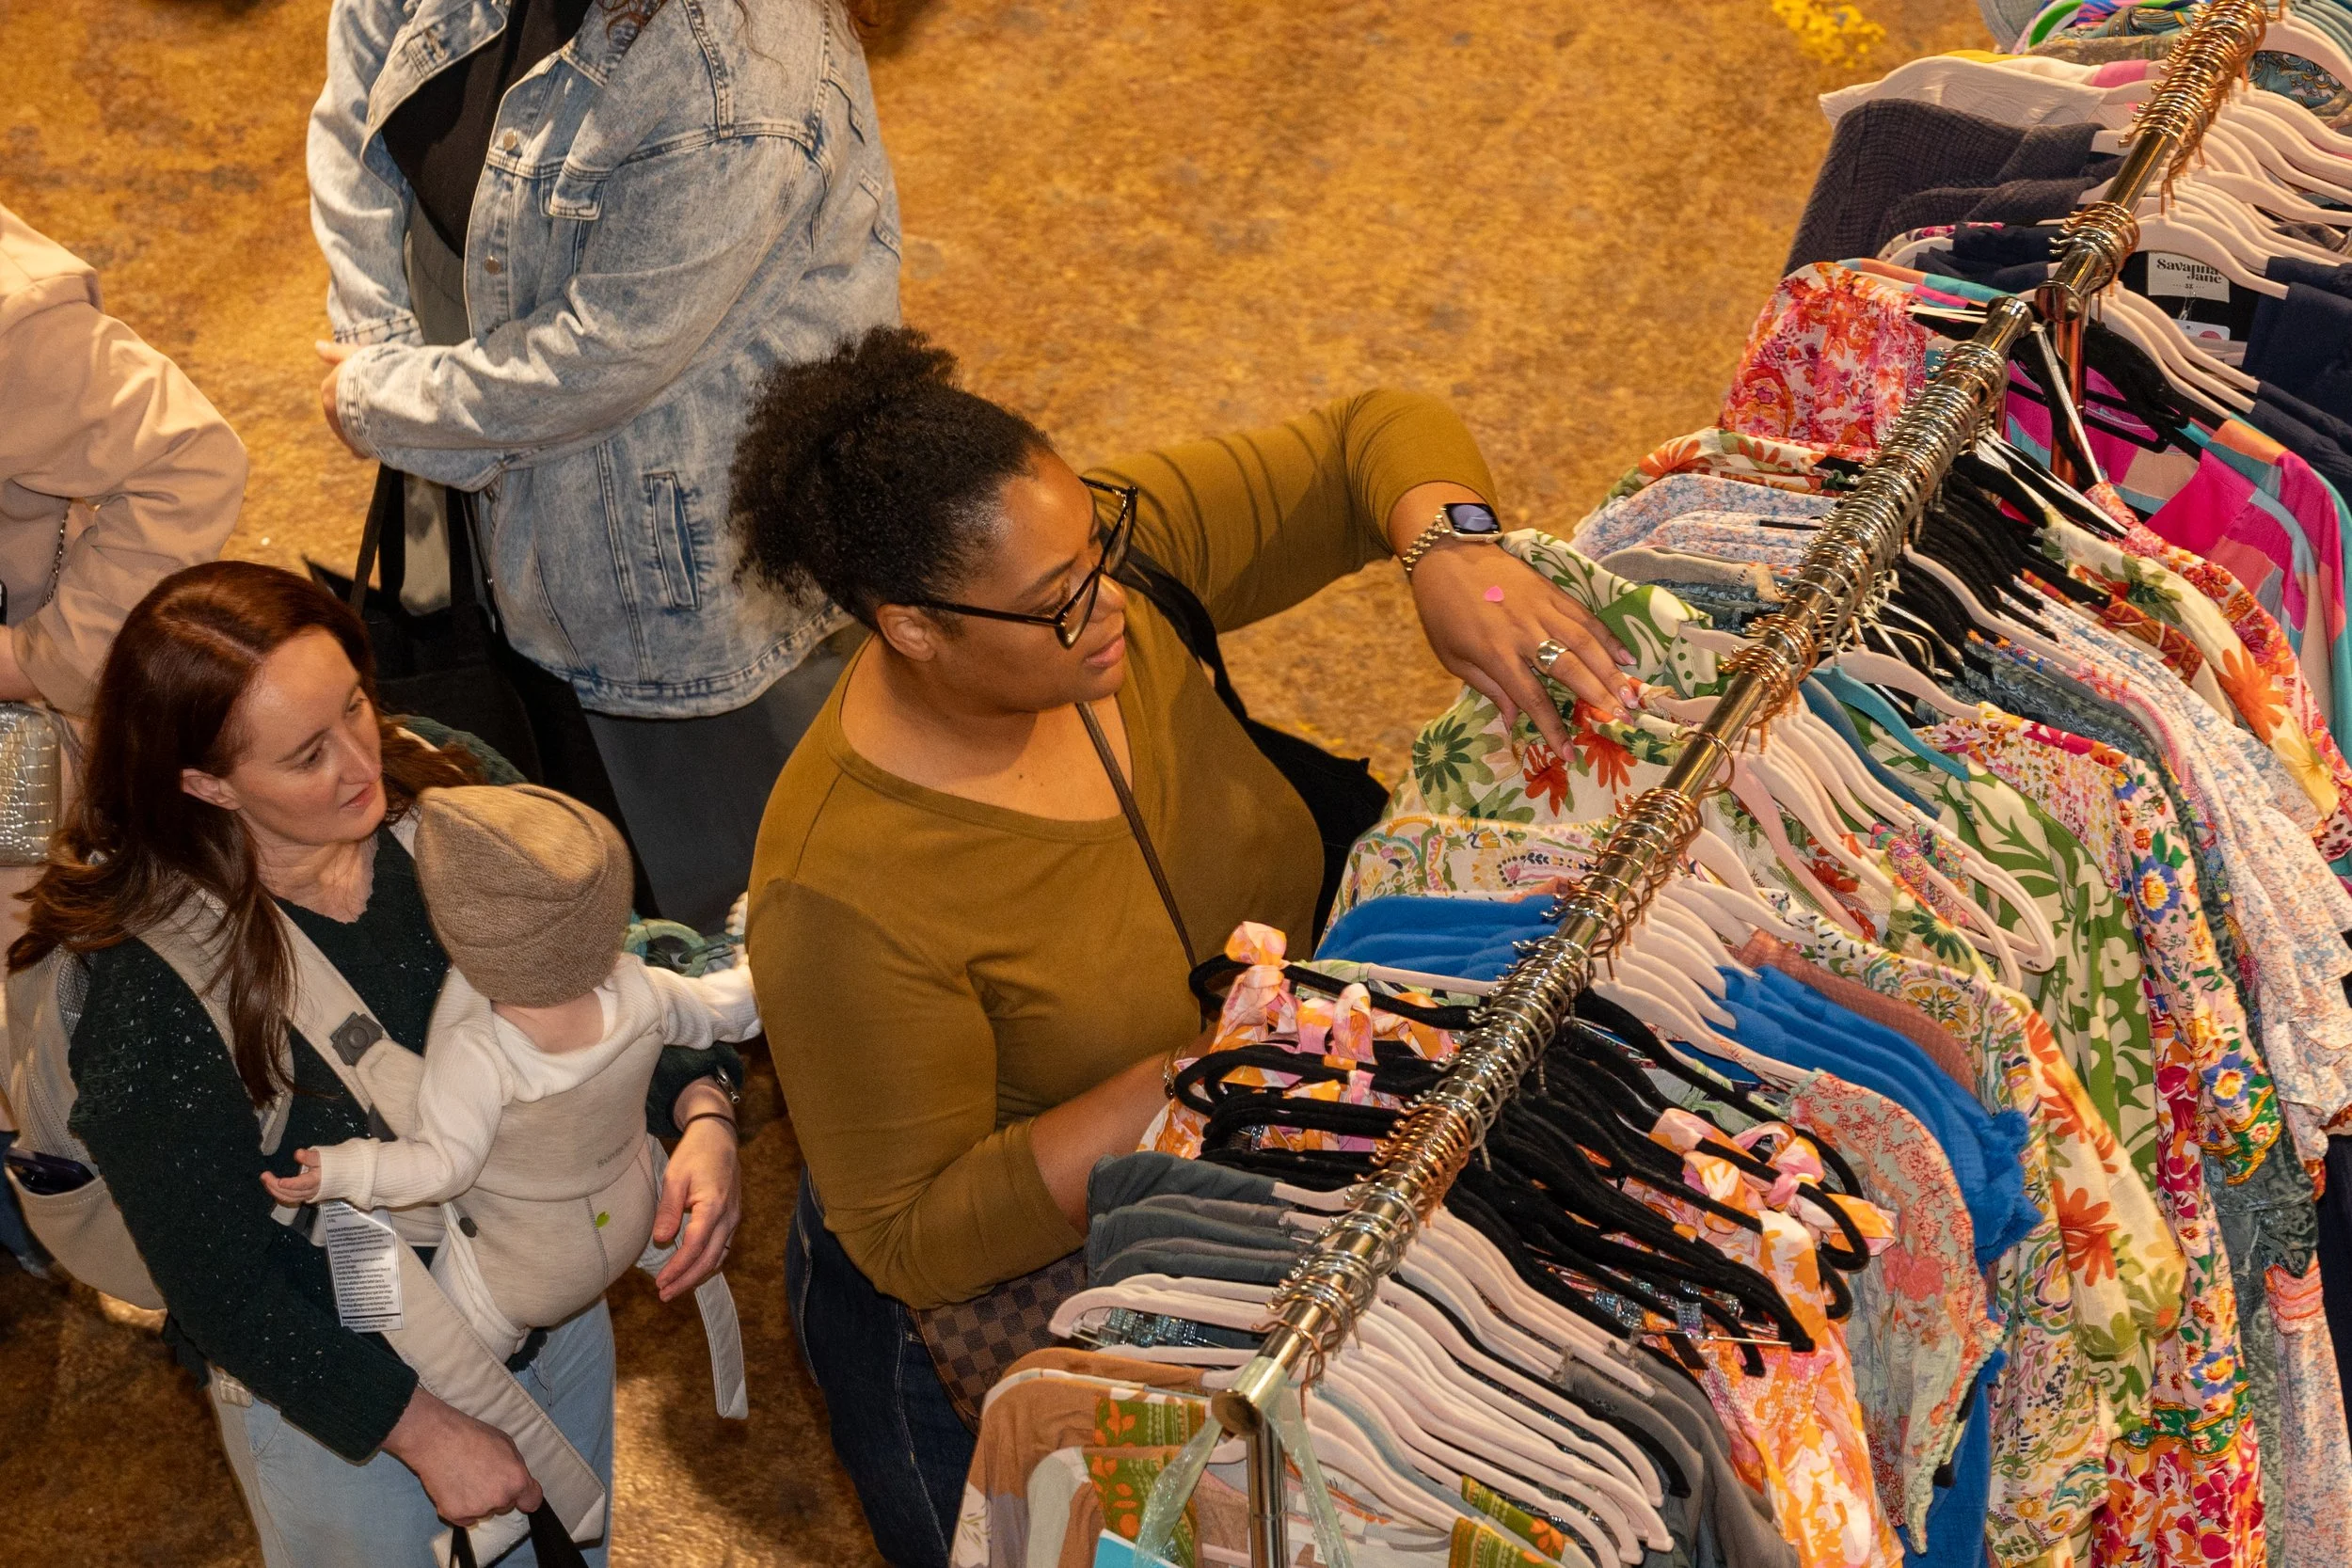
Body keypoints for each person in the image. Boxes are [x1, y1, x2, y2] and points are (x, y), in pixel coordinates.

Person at [735, 326, 1633, 1565]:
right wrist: (1209, 1064)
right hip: (998, 1330)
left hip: (1249, 1163)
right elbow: (914, 1236)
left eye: (1096, 542)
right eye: (1055, 600)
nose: (1107, 601)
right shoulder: (837, 891)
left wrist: (1450, 547)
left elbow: (1371, 432)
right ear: (913, 627)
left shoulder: (1103, 579)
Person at [16, 562, 745, 1566]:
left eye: (355, 703)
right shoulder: (153, 997)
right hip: (345, 1409)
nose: (362, 760)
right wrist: (422, 1430)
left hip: (548, 1295)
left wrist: (702, 1106)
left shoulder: (445, 788)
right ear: (205, 781)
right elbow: (223, 1287)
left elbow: (603, 974)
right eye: (305, 754)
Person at [306, 0, 900, 932]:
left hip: (677, 565)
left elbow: (604, 354)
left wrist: (385, 400)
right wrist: (385, 351)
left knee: (751, 899)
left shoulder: (736, 70)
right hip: (488, 459)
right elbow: (353, 112)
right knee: (578, 833)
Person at [263, 782, 761, 1363]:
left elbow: (440, 1168)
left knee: (453, 1373)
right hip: (634, 1206)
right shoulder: (645, 991)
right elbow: (736, 1009)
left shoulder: (480, 1052)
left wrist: (341, 1169)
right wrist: (761, 952)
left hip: (526, 1272)